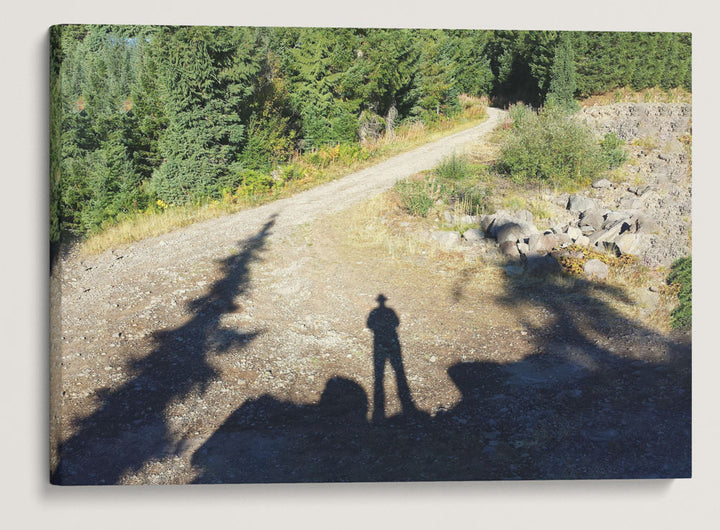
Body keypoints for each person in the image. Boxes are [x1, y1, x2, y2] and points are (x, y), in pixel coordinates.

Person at [366, 294, 416, 423]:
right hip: (391, 339)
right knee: (398, 372)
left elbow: (369, 325)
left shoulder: (375, 312)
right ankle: (406, 405)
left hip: (378, 340)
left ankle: (379, 410)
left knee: (379, 374)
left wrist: (378, 327)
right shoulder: (389, 311)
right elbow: (397, 323)